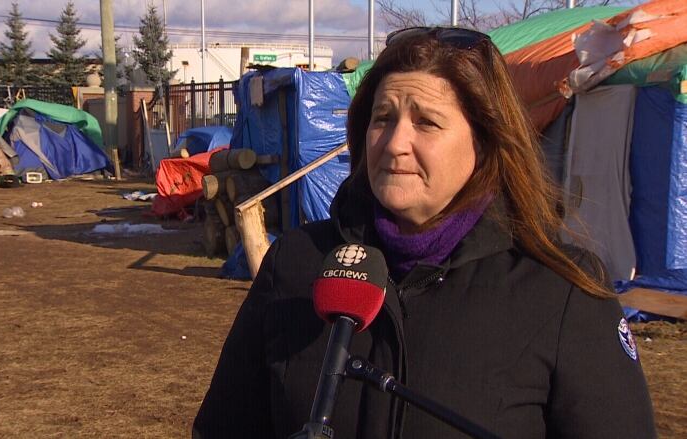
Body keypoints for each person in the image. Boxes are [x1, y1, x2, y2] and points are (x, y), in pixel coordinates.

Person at [193, 27, 656, 438]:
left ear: (484, 141)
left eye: (427, 122)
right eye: (383, 118)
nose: (395, 144)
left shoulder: (560, 292)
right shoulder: (295, 265)